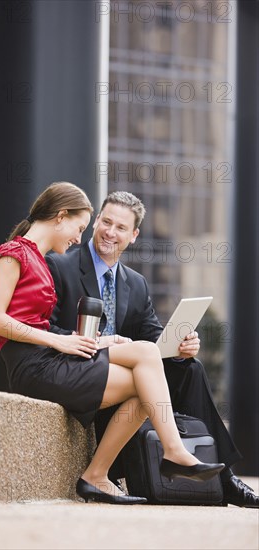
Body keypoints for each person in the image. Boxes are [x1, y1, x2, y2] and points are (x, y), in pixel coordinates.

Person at [0, 182, 224, 505]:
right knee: (145, 355)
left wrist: (94, 341)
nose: (78, 238)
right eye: (80, 227)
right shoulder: (13, 254)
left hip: (53, 359)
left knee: (146, 380)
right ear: (60, 217)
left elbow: (42, 323)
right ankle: (174, 452)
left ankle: (97, 475)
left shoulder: (39, 260)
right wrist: (59, 340)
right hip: (34, 368)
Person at [46, 190, 259, 508]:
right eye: (106, 222)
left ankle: (223, 475)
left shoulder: (136, 283)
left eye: (121, 228)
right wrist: (96, 342)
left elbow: (154, 339)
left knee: (189, 366)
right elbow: (45, 328)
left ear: (133, 236)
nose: (110, 232)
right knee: (155, 372)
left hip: (123, 371)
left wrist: (182, 346)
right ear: (95, 222)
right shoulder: (61, 265)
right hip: (79, 370)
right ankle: (207, 471)